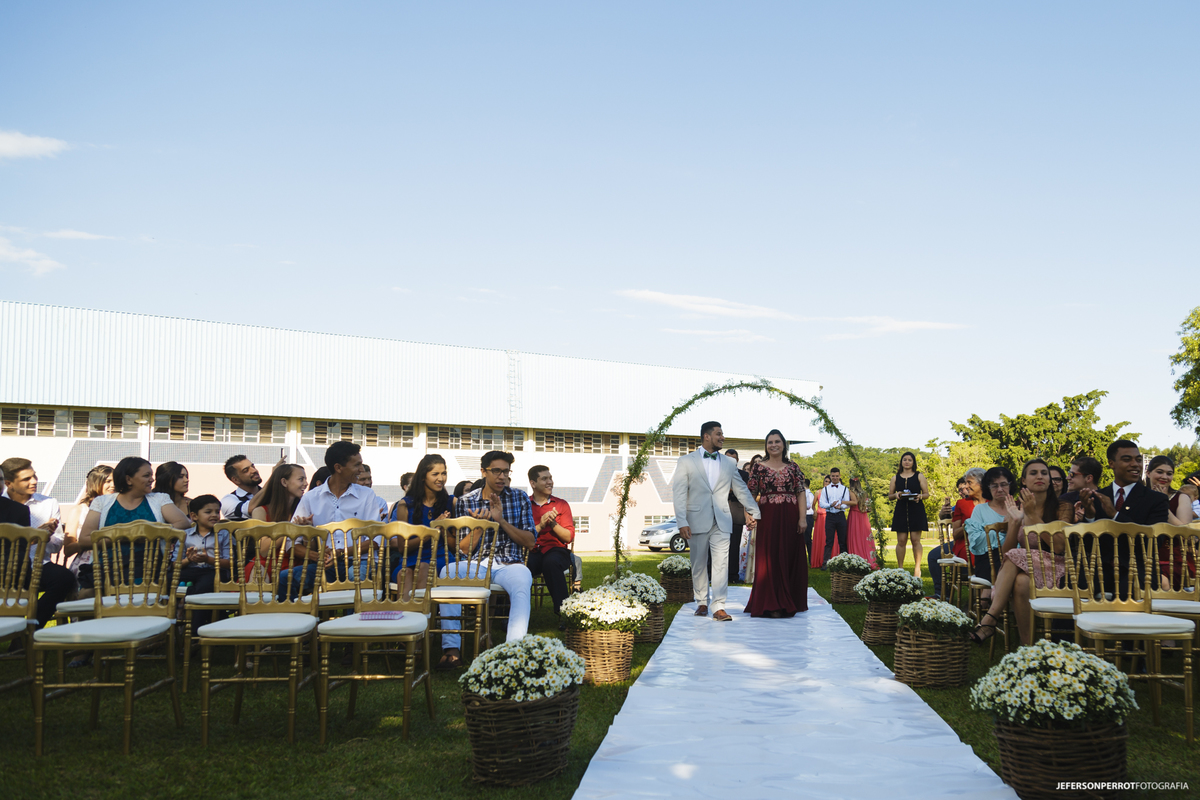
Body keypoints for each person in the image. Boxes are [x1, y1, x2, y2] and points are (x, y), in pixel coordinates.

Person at [437, 450, 537, 668]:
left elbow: (530, 541)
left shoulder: (519, 498)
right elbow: (464, 549)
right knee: (446, 572)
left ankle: (513, 651)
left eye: (505, 471)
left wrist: (499, 520)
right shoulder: (466, 501)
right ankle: (451, 649)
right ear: (483, 471)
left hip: (509, 563)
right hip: (477, 563)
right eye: (496, 471)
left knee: (523, 580)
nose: (501, 476)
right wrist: (481, 527)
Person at [972, 459, 1072, 646]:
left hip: (1056, 568)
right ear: (1024, 481)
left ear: (1050, 480)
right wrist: (1016, 522)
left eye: (1044, 473)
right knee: (1020, 581)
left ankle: (991, 618)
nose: (1040, 476)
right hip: (1027, 569)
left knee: (1019, 556)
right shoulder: (1015, 508)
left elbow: (1058, 547)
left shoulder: (1063, 507)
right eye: (1033, 473)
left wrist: (1032, 515)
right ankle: (1028, 645)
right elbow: (1007, 552)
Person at [670, 421, 760, 622]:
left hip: (722, 520)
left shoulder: (729, 463)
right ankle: (701, 601)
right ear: (706, 436)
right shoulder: (686, 461)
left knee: (721, 564)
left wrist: (754, 512)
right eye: (719, 434)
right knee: (699, 563)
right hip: (695, 520)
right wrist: (681, 521)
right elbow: (678, 493)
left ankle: (719, 606)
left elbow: (741, 489)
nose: (723, 437)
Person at [283, 442, 385, 598]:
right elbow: (291, 543)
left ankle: (354, 622)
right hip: (325, 565)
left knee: (355, 575)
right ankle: (301, 621)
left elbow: (376, 540)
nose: (361, 469)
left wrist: (341, 553)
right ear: (338, 468)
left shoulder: (367, 495)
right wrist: (317, 556)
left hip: (360, 561)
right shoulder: (311, 497)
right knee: (285, 578)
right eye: (357, 465)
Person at [78, 456, 190, 586]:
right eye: (146, 475)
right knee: (87, 594)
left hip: (149, 570)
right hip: (107, 569)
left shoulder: (159, 499)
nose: (152, 479)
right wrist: (124, 537)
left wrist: (150, 533)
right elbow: (84, 539)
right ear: (128, 479)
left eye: (151, 475)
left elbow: (183, 523)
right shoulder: (102, 502)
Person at [1079, 440, 1169, 598]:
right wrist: (1090, 516)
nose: (1135, 464)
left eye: (1138, 460)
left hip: (1140, 570)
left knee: (1126, 586)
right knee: (1071, 582)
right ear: (1111, 463)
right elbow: (1087, 546)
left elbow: (1153, 542)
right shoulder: (1098, 496)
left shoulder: (1156, 500)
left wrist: (1116, 515)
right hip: (1101, 569)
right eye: (1127, 459)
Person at [1, 457, 72, 632]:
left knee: (65, 578)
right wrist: (35, 535)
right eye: (26, 479)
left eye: (34, 476)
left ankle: (29, 629)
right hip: (7, 564)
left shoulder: (48, 503)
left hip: (37, 563)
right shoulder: (3, 505)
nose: (33, 482)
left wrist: (46, 537)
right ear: (9, 483)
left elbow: (56, 546)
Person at [743, 430, 805, 618]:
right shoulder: (758, 467)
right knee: (769, 558)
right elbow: (750, 494)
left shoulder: (793, 467)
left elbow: (800, 491)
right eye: (770, 442)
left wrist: (802, 518)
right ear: (766, 445)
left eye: (777, 441)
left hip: (791, 515)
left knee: (788, 555)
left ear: (784, 444)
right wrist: (747, 514)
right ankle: (771, 602)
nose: (774, 445)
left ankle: (789, 600)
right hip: (768, 516)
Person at [389, 454, 454, 596]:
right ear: (423, 476)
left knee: (424, 568)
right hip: (409, 557)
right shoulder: (405, 505)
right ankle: (408, 616)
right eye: (435, 474)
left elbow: (455, 544)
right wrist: (432, 530)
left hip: (440, 557)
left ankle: (423, 616)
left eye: (444, 473)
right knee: (404, 573)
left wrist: (442, 530)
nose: (441, 479)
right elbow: (402, 547)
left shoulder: (450, 502)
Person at [174, 494, 231, 629]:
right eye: (208, 512)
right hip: (190, 570)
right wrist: (188, 559)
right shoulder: (185, 535)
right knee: (166, 579)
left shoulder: (224, 534)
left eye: (217, 512)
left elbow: (229, 563)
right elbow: (174, 564)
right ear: (194, 516)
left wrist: (208, 559)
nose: (214, 515)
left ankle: (194, 629)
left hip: (214, 571)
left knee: (202, 587)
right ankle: (170, 623)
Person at [527, 465, 575, 617]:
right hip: (532, 550)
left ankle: (563, 612)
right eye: (544, 479)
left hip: (556, 550)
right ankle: (511, 615)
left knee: (551, 562)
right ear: (533, 483)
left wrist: (553, 523)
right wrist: (541, 525)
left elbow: (568, 537)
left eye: (550, 478)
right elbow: (523, 535)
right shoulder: (524, 504)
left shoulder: (561, 504)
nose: (550, 482)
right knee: (519, 568)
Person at [245, 462, 307, 581]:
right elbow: (263, 550)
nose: (306, 484)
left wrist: (307, 531)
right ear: (284, 482)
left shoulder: (304, 509)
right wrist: (290, 528)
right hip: (268, 565)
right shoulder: (260, 511)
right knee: (258, 569)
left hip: (296, 566)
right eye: (301, 479)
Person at [963, 466, 1016, 600]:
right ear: (988, 488)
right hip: (988, 561)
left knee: (1013, 557)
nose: (999, 489)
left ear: (1010, 485)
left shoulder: (1018, 508)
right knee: (997, 556)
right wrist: (1003, 530)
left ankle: (991, 592)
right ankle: (992, 591)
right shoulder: (980, 510)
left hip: (1015, 559)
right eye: (994, 485)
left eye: (1003, 484)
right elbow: (976, 542)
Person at [928, 470, 982, 599]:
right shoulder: (959, 504)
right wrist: (943, 513)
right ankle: (941, 593)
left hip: (981, 541)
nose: (961, 492)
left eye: (963, 488)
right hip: (962, 540)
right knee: (934, 555)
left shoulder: (988, 502)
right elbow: (946, 518)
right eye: (960, 490)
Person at [62, 465, 115, 595]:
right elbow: (68, 549)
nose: (113, 485)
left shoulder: (120, 507)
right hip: (87, 562)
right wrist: (88, 541)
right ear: (95, 484)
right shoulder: (79, 510)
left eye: (115, 481)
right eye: (107, 481)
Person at [888, 452, 929, 579]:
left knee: (916, 541)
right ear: (901, 462)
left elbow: (926, 494)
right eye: (904, 460)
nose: (906, 462)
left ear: (913, 462)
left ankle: (917, 570)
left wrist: (920, 496)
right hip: (901, 511)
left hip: (916, 510)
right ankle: (900, 569)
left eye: (909, 460)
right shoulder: (895, 478)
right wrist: (896, 495)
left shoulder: (919, 476)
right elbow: (890, 496)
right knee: (901, 541)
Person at [819, 468, 853, 568]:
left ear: (839, 476)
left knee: (842, 540)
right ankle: (825, 563)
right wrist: (830, 505)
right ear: (830, 476)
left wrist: (840, 506)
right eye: (833, 476)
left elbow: (847, 503)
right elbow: (821, 503)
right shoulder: (825, 489)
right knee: (829, 541)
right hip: (830, 516)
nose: (835, 478)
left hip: (840, 516)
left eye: (836, 476)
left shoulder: (845, 489)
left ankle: (844, 563)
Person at [724, 448, 747, 585]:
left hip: (736, 514)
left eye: (733, 459)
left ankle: (733, 574)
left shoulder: (744, 475)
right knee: (719, 546)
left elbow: (745, 492)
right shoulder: (717, 474)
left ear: (737, 461)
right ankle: (717, 574)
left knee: (734, 547)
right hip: (720, 513)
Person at [1144, 455, 1184, 524]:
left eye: (1169, 474)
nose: (1164, 477)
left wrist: (1162, 503)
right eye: (1160, 472)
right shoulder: (1139, 495)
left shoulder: (1181, 498)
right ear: (1148, 473)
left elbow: (1185, 531)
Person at [221, 455, 262, 521]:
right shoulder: (228, 501)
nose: (254, 470)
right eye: (246, 470)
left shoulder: (273, 494)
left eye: (252, 466)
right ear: (236, 480)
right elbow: (250, 508)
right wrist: (273, 478)